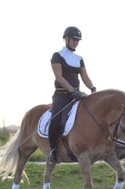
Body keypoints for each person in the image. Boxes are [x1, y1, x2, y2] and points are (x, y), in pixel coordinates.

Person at [48, 26, 96, 164]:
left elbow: (85, 77)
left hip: (77, 96)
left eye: (78, 40)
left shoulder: (79, 59)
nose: (76, 42)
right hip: (61, 95)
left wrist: (92, 88)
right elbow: (59, 77)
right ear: (67, 39)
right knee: (56, 120)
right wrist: (72, 90)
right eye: (74, 39)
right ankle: (53, 151)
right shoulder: (57, 56)